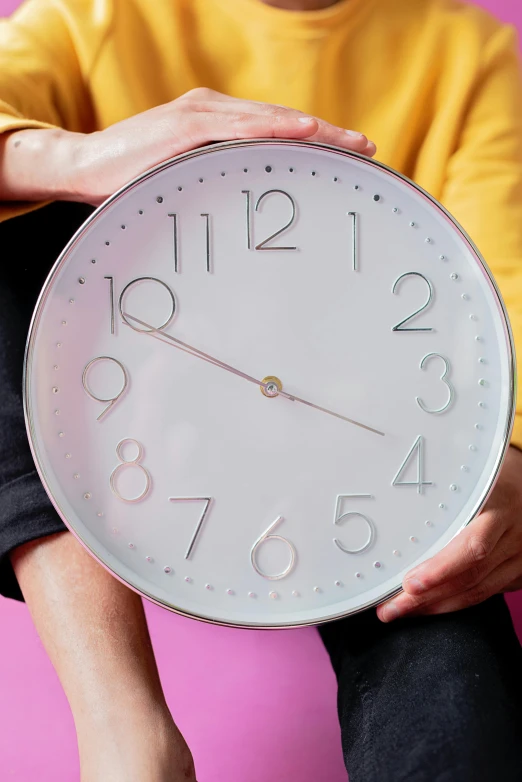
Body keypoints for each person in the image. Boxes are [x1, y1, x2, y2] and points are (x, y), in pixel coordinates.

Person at [1, 0, 522, 779]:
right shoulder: (92, 19)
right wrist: (79, 160)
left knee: (445, 627)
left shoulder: (467, 54)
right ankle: (125, 730)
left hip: (354, 442)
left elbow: (506, 289)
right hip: (128, 431)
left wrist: (510, 453)